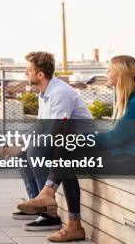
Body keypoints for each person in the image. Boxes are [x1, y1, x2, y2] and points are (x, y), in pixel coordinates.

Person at [17, 55, 135, 242]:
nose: (107, 73)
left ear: (120, 74)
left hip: (132, 160)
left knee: (67, 152)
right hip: (122, 154)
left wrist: (80, 140)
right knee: (66, 149)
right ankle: (56, 205)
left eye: (110, 70)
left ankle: (63, 212)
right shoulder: (131, 98)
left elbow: (116, 139)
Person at [15, 52, 93, 231]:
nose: (26, 74)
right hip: (61, 139)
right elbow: (42, 127)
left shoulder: (60, 93)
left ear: (40, 74)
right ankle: (36, 202)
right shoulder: (44, 93)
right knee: (21, 151)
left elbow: (56, 131)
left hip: (79, 142)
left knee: (35, 150)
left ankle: (49, 213)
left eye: (28, 70)